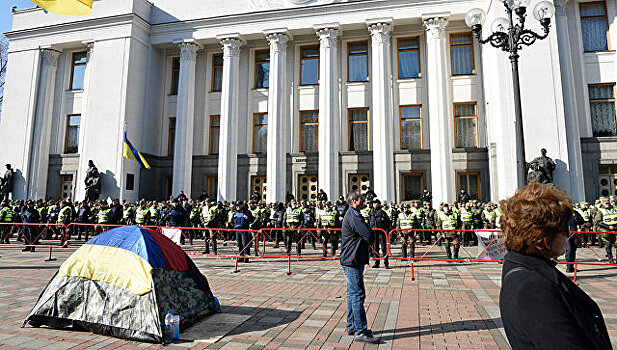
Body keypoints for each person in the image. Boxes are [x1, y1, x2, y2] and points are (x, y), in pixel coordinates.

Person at [499, 183, 611, 349]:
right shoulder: (531, 287)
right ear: (542, 233)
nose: (568, 234)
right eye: (563, 229)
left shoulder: (525, 268)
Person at [340, 190, 379, 344]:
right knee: (357, 295)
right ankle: (360, 330)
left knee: (352, 294)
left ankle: (351, 326)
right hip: (352, 260)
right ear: (353, 201)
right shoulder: (354, 216)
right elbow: (369, 236)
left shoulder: (353, 214)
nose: (364, 201)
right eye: (361, 199)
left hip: (352, 259)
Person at [369, 199, 390, 268]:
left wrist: (386, 230)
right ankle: (377, 262)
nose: (375, 205)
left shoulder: (382, 212)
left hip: (381, 232)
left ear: (379, 204)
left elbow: (388, 222)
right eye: (374, 203)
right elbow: (369, 221)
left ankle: (386, 263)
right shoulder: (371, 212)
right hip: (374, 231)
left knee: (384, 247)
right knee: (375, 248)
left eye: (376, 203)